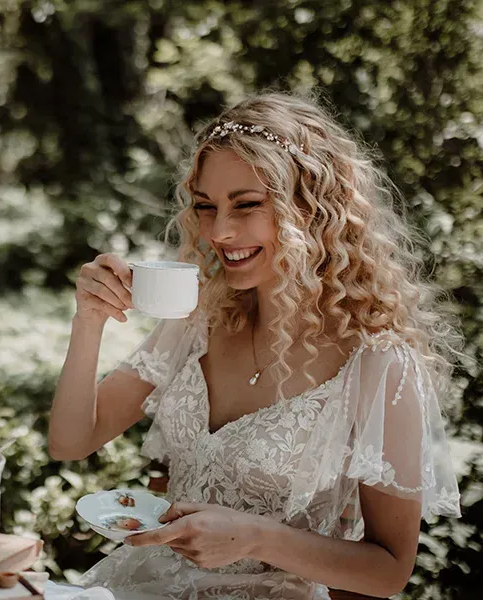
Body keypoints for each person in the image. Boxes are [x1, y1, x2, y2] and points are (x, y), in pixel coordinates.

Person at [48, 93, 463, 600]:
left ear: (311, 209)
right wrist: (89, 321)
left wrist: (255, 537)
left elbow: (389, 571)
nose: (220, 231)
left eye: (247, 205)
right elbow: (71, 441)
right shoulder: (199, 320)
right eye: (206, 207)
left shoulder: (378, 365)